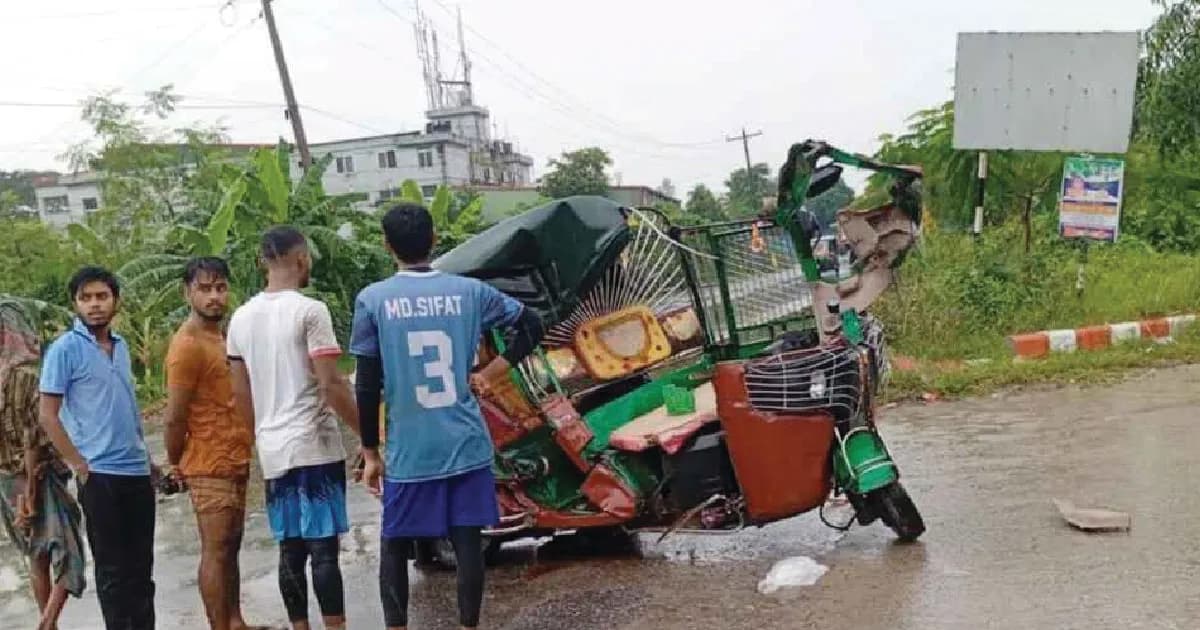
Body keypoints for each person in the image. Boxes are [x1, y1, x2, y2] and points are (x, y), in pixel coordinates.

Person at [351, 202, 544, 630]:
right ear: (434, 240)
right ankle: (468, 625)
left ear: (387, 245)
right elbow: (531, 324)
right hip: (465, 443)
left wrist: (369, 450)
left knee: (395, 544)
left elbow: (366, 384)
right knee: (467, 542)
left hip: (410, 449)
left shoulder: (373, 300)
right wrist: (491, 372)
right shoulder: (470, 292)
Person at [226, 227, 360, 630]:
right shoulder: (310, 311)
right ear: (301, 258)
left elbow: (241, 393)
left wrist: (258, 441)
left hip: (273, 449)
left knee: (290, 549)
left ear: (262, 262)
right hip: (314, 445)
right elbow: (331, 384)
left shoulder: (240, 318)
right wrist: (370, 437)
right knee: (323, 550)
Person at [39, 266, 157, 630]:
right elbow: (48, 415)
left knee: (141, 571)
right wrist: (80, 464)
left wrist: (148, 460)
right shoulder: (64, 350)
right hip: (100, 476)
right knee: (112, 572)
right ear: (75, 304)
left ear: (115, 301)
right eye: (86, 298)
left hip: (136, 472)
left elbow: (128, 408)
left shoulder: (120, 348)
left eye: (101, 296)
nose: (94, 305)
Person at [163, 257, 261, 630]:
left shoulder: (222, 336)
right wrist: (176, 462)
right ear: (187, 292)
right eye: (204, 289)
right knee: (216, 550)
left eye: (220, 288)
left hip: (235, 454)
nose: (214, 297)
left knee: (231, 546)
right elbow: (174, 415)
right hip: (206, 462)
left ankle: (235, 620)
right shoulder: (186, 345)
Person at [0, 301, 86, 630]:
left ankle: (48, 622)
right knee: (68, 551)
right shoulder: (27, 375)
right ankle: (48, 623)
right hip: (37, 475)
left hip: (7, 479)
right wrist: (32, 495)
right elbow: (33, 436)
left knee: (35, 555)